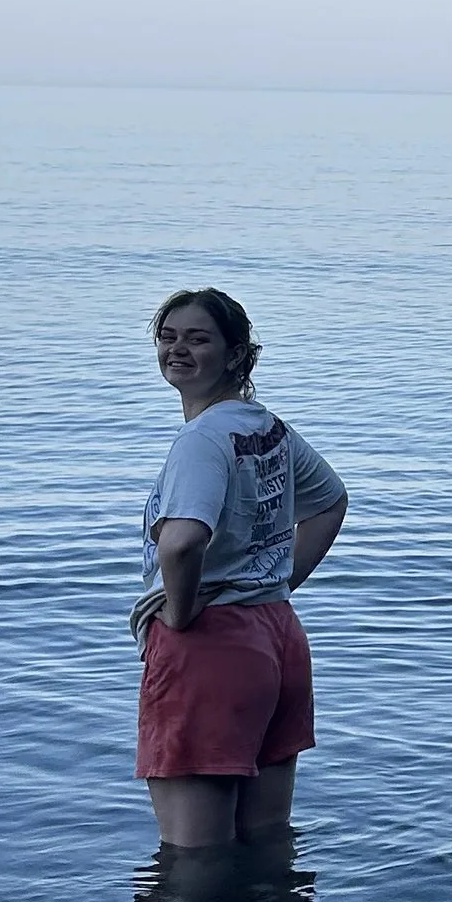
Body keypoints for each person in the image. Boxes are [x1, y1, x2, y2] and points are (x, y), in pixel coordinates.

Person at [133, 287, 349, 850]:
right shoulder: (265, 428)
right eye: (168, 336)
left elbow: (182, 542)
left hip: (211, 647)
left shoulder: (202, 438)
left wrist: (178, 616)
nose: (177, 349)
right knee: (265, 842)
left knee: (192, 861)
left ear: (235, 355)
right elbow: (330, 502)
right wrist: (275, 584)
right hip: (275, 636)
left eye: (197, 338)